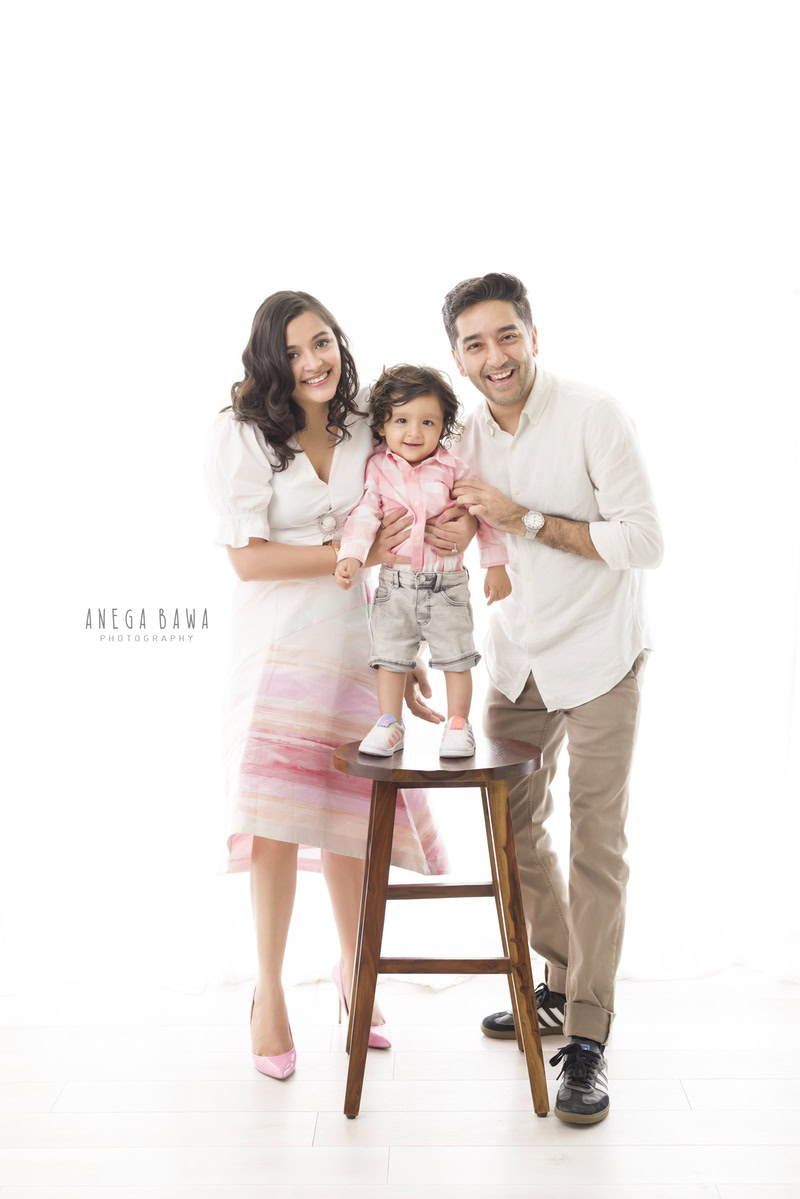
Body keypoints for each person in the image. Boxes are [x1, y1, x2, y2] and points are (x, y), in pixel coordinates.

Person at [204, 291, 474, 1080]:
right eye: (292, 351)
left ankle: (356, 977)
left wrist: (407, 641)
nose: (313, 361)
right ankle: (269, 992)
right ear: (268, 361)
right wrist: (348, 556)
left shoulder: (365, 420)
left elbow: (414, 509)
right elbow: (247, 558)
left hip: (360, 635)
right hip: (277, 639)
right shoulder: (241, 433)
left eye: (321, 342)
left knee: (351, 814)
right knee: (278, 820)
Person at [443, 272, 663, 1125]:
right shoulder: (461, 435)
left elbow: (645, 540)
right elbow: (442, 514)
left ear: (533, 334)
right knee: (513, 833)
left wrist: (523, 517)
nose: (493, 357)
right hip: (516, 662)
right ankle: (563, 980)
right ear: (457, 355)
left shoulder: (593, 414)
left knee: (596, 842)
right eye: (474, 343)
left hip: (602, 655)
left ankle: (589, 1039)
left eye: (506, 336)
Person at [334, 363, 511, 758]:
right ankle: (389, 723)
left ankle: (458, 724)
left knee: (456, 658)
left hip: (446, 585)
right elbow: (364, 515)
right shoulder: (377, 469)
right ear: (382, 425)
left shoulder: (453, 469)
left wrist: (495, 565)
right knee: (391, 659)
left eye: (427, 422)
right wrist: (351, 556)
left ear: (443, 425)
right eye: (401, 420)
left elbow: (481, 514)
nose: (414, 432)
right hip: (394, 586)